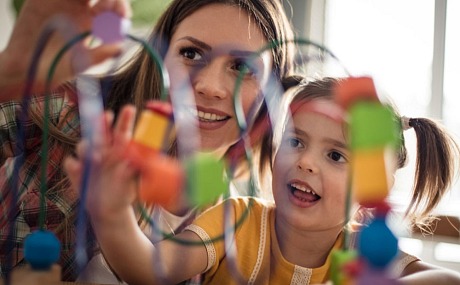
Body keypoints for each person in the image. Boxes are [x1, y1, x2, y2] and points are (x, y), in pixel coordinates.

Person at [0, 0, 295, 281]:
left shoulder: (237, 229)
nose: (209, 87)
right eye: (190, 54)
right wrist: (13, 67)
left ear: (273, 95)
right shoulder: (70, 111)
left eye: (242, 68)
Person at [64, 76, 460, 284]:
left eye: (336, 155)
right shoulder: (235, 221)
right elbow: (150, 270)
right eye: (295, 141)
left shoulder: (366, 252)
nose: (304, 162)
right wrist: (112, 212)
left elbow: (446, 278)